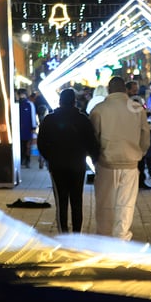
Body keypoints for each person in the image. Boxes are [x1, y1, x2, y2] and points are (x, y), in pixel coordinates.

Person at [89, 76, 151, 241]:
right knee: (126, 204)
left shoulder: (99, 109)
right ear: (125, 89)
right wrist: (140, 152)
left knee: (104, 203)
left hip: (106, 163)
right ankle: (122, 237)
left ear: (109, 90)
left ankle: (104, 237)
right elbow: (146, 135)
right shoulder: (137, 108)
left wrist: (96, 158)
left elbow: (93, 137)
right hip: (131, 162)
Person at [36, 88, 100, 233]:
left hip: (57, 165)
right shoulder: (83, 119)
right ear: (74, 101)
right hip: (77, 165)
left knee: (61, 201)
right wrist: (94, 158)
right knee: (77, 200)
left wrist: (50, 158)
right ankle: (76, 233)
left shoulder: (49, 119)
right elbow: (91, 142)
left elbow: (41, 143)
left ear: (60, 101)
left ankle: (63, 233)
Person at [125, 80, 151, 190]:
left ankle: (140, 181)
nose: (135, 91)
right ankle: (137, 182)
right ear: (127, 89)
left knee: (140, 160)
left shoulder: (138, 99)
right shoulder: (128, 101)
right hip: (132, 133)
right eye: (134, 89)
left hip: (137, 132)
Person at [16, 88, 37, 169]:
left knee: (27, 145)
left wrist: (33, 127)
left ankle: (26, 160)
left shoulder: (29, 104)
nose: (21, 96)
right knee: (22, 145)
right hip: (20, 129)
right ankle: (22, 160)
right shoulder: (17, 104)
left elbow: (32, 116)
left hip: (27, 129)